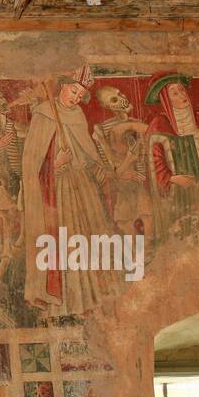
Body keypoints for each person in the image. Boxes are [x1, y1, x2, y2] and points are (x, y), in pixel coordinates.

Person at [21, 67, 121, 318]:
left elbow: (87, 154)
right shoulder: (44, 114)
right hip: (57, 190)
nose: (76, 97)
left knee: (89, 240)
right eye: (74, 90)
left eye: (81, 94)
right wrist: (53, 164)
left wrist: (99, 169)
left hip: (83, 188)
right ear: (63, 86)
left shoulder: (77, 116)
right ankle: (66, 301)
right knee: (66, 242)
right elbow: (30, 162)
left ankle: (90, 299)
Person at [144, 74, 199, 242]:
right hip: (175, 191)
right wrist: (173, 178)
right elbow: (153, 161)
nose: (182, 95)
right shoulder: (159, 124)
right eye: (174, 93)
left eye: (182, 90)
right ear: (167, 101)